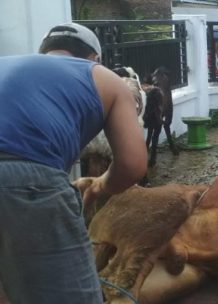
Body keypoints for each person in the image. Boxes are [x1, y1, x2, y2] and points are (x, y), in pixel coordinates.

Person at [0, 22, 148, 303]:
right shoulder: (102, 77)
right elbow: (132, 165)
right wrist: (101, 185)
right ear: (95, 59)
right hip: (29, 180)